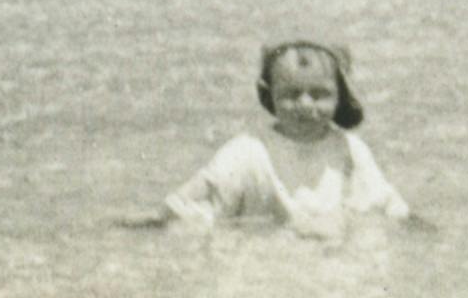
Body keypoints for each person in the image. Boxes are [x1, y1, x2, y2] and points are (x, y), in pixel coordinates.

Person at [158, 38, 409, 234]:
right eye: (291, 94)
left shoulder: (349, 150)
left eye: (319, 94)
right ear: (270, 95)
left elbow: (384, 206)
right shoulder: (248, 152)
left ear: (339, 97)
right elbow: (188, 204)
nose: (305, 105)